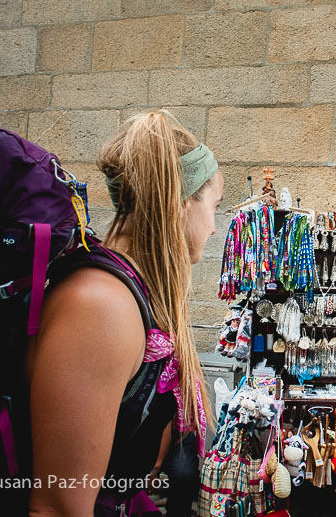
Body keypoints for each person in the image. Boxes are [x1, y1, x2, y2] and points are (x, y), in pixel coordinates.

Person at [26, 110, 223, 515]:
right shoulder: (101, 307)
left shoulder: (132, 295)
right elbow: (57, 507)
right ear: (183, 204)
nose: (214, 227)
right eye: (215, 206)